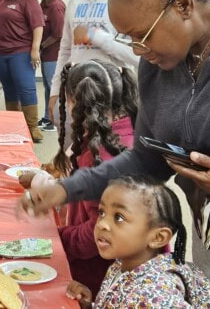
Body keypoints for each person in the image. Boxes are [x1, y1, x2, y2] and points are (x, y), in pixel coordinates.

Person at [19, 0, 210, 308]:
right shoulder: (161, 64)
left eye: (143, 35)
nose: (138, 51)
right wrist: (69, 189)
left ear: (184, 5)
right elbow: (146, 160)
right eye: (129, 39)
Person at [51, 60, 137, 297]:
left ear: (74, 102)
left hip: (101, 275)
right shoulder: (128, 131)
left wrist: (59, 240)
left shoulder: (99, 154)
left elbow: (97, 231)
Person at [66, 175, 210, 308]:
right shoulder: (121, 265)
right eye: (102, 213)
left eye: (119, 217)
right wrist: (90, 305)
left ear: (158, 238)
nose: (101, 224)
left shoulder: (155, 297)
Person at [47, 0, 138, 124]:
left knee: (107, 151)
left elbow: (136, 55)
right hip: (76, 97)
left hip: (112, 100)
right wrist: (55, 91)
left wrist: (94, 36)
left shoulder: (125, 2)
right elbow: (65, 51)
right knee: (73, 150)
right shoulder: (75, 2)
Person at [0, 0, 44, 142]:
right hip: (1, 53)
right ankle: (14, 125)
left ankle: (32, 127)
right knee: (9, 90)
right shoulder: (2, 1)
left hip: (20, 52)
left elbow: (38, 25)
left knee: (26, 89)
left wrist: (35, 50)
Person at [37, 0, 66, 132]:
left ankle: (55, 119)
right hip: (46, 54)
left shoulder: (56, 6)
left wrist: (41, 45)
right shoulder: (45, 3)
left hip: (54, 55)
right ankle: (47, 117)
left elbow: (59, 33)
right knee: (48, 87)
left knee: (53, 87)